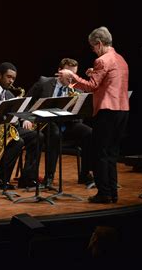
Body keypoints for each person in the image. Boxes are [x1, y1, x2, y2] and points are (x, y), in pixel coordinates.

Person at [58, 26, 129, 204]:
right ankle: (113, 192)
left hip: (107, 111)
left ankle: (104, 193)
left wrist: (71, 77)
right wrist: (93, 74)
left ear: (98, 43)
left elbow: (91, 87)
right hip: (122, 110)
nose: (93, 50)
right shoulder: (121, 59)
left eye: (92, 47)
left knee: (100, 153)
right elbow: (106, 82)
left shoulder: (103, 60)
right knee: (112, 153)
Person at [27, 58, 94, 187]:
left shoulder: (78, 89)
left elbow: (80, 117)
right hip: (46, 124)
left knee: (89, 133)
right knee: (55, 134)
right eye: (69, 73)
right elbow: (27, 101)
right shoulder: (44, 83)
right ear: (59, 71)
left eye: (74, 74)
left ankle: (85, 174)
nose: (71, 78)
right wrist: (27, 119)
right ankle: (49, 177)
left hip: (68, 125)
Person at [0, 62, 42, 189]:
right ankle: (0, 178)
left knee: (37, 136)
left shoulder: (10, 95)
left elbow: (17, 114)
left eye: (13, 78)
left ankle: (28, 178)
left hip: (6, 129)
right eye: (8, 77)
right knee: (17, 141)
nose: (11, 81)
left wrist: (24, 120)